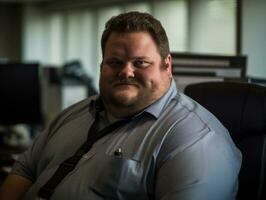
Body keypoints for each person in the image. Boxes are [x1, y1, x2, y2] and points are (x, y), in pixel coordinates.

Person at [0, 11, 242, 200]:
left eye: (140, 62)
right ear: (101, 64)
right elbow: (25, 169)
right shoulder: (74, 113)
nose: (126, 72)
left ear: (167, 65)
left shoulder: (195, 140)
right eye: (115, 61)